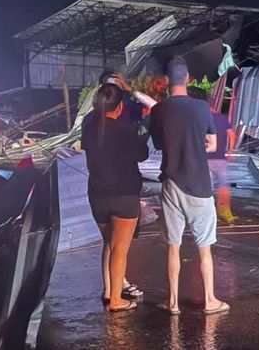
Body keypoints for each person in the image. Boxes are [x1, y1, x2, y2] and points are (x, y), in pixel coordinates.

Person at [149, 57, 230, 315]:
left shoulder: (158, 110)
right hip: (199, 185)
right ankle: (210, 301)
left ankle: (172, 303)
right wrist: (199, 143)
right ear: (188, 78)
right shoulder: (201, 108)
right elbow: (213, 145)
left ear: (165, 82)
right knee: (204, 248)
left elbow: (160, 145)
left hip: (171, 183)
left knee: (173, 246)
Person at [80, 70, 153, 301]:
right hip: (124, 195)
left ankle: (108, 290)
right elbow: (143, 155)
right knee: (120, 249)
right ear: (119, 106)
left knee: (109, 244)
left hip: (97, 195)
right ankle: (116, 300)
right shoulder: (126, 130)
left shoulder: (88, 126)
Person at [187, 87, 238, 224]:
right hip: (221, 158)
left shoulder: (198, 118)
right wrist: (231, 151)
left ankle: (204, 214)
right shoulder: (220, 117)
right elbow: (232, 134)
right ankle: (225, 212)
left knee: (206, 187)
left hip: (205, 159)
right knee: (223, 185)